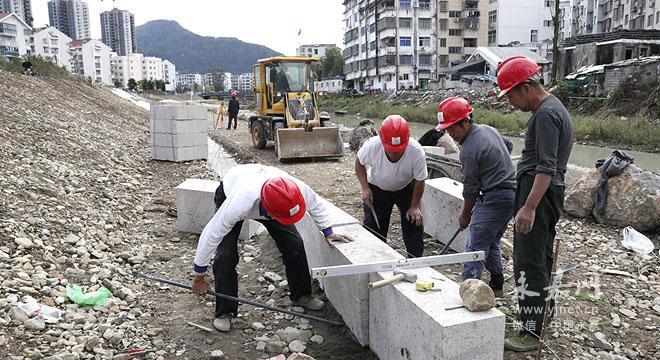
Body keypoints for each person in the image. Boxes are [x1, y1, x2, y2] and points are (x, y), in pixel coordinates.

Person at [191, 164, 353, 332]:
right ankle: (225, 311)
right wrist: (199, 276)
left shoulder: (295, 190)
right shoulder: (239, 203)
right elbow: (211, 235)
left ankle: (301, 295)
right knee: (225, 255)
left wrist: (328, 231)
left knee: (294, 244)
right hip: (232, 190)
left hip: (276, 203)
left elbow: (315, 204)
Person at [497, 56, 574, 352]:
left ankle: (531, 332)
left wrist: (528, 206)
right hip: (546, 192)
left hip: (538, 193)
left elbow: (546, 167)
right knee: (541, 256)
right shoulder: (555, 110)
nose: (511, 103)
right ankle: (543, 315)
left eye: (511, 95)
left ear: (526, 87)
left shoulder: (545, 115)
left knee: (528, 260)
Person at [436, 97, 515, 298]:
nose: (450, 134)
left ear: (466, 121)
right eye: (447, 130)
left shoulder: (469, 150)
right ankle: (497, 281)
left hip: (494, 197)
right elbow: (509, 145)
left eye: (453, 128)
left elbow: (470, 189)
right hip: (511, 195)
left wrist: (465, 215)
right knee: (491, 241)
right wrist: (495, 165)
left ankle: (469, 293)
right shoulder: (488, 129)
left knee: (474, 247)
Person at [355, 115, 428, 257]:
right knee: (375, 229)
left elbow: (420, 180)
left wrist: (414, 206)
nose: (394, 153)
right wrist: (365, 188)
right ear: (382, 140)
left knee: (414, 225)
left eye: (398, 150)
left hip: (406, 188)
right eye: (390, 149)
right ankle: (375, 261)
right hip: (377, 187)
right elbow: (359, 163)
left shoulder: (416, 151)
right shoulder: (372, 146)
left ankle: (416, 262)